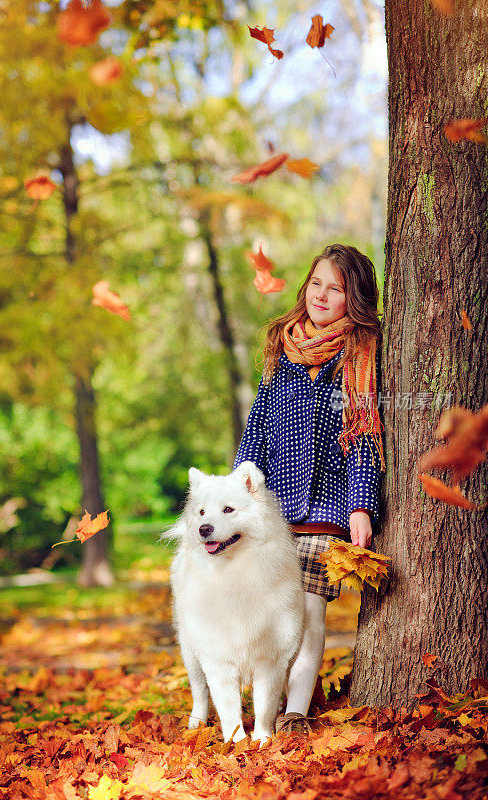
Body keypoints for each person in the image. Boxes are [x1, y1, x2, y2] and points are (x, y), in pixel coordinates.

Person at [233, 243, 385, 734]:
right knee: (272, 618)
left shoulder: (356, 355)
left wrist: (361, 505)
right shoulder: (282, 345)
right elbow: (257, 427)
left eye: (336, 288)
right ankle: (268, 710)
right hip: (271, 511)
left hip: (325, 508)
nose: (322, 295)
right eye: (317, 283)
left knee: (310, 613)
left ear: (352, 298)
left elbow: (362, 435)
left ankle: (295, 713)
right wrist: (240, 487)